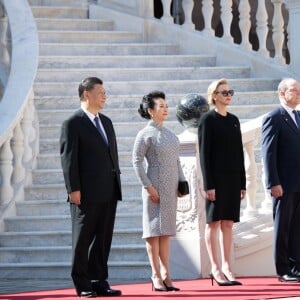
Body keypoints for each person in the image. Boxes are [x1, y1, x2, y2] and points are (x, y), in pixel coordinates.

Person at [60, 77, 122, 298]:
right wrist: (73, 188)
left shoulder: (106, 121)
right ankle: (82, 283)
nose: (105, 96)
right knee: (83, 239)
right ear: (87, 94)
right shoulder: (73, 123)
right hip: (85, 193)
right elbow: (69, 159)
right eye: (101, 92)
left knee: (103, 239)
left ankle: (99, 280)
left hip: (109, 190)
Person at [132, 91, 187, 292]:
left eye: (166, 105)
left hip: (171, 186)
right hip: (153, 186)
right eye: (161, 106)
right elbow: (136, 161)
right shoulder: (145, 134)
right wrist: (148, 186)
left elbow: (177, 160)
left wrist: (182, 183)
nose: (165, 109)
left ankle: (166, 273)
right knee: (153, 232)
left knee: (166, 233)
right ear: (150, 110)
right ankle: (155, 274)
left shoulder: (171, 134)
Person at [198, 78, 246, 286]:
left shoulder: (234, 120)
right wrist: (209, 185)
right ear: (214, 96)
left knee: (228, 223)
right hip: (216, 180)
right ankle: (215, 268)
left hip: (233, 179)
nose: (228, 95)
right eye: (224, 92)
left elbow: (239, 153)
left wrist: (243, 183)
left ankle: (227, 266)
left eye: (230, 92)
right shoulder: (207, 119)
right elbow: (204, 154)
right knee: (214, 222)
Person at [262, 78, 300, 282]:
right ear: (282, 93)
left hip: (298, 182)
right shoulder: (274, 117)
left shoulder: (298, 116)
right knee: (283, 227)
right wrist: (272, 182)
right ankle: (283, 269)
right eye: (295, 90)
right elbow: (268, 153)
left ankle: (296, 266)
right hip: (283, 184)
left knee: (296, 228)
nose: (299, 94)